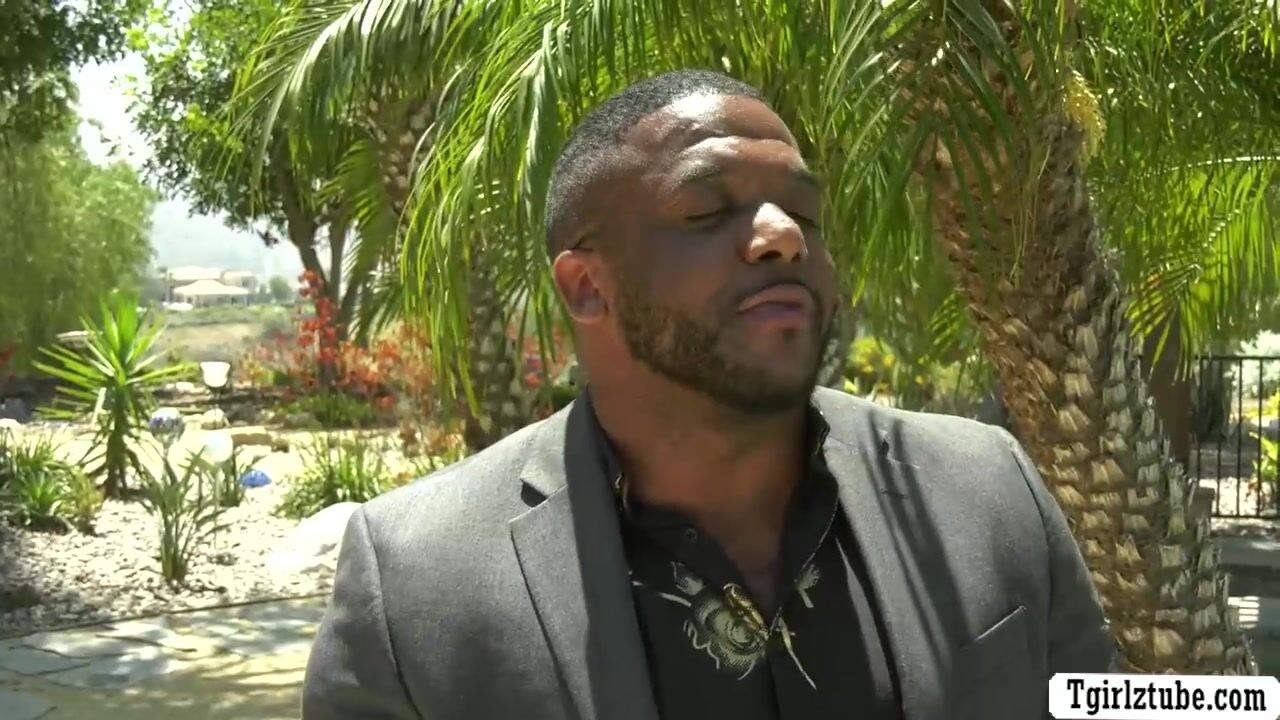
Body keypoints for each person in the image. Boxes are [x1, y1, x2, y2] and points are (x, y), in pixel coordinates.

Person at [302, 69, 1115, 720]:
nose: (783, 234)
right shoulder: (415, 578)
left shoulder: (988, 485)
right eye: (706, 210)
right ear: (586, 286)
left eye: (805, 213)